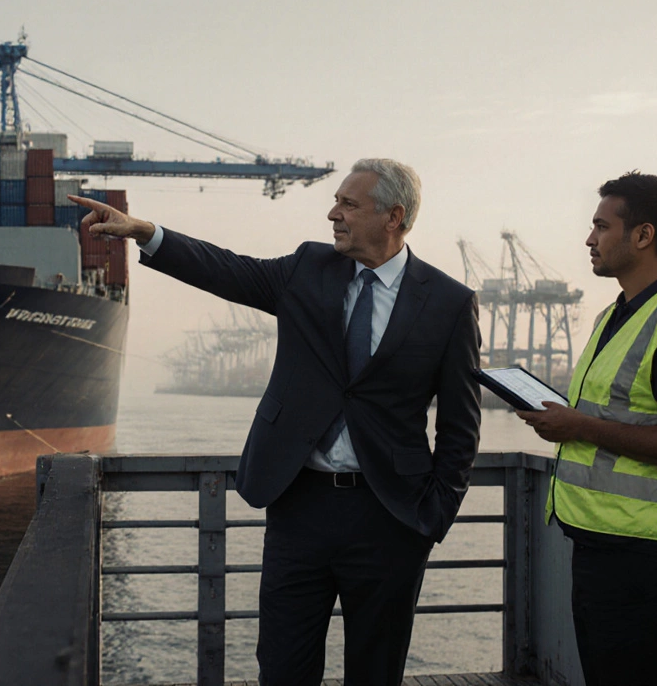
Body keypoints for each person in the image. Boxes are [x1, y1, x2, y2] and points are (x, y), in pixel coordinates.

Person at [69, 158, 482, 685]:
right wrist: (145, 232)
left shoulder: (449, 303)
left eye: (348, 205)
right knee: (284, 667)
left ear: (393, 217)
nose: (333, 213)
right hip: (299, 506)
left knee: (377, 672)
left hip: (391, 518)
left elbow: (460, 428)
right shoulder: (308, 268)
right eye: (336, 201)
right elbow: (226, 269)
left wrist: (433, 516)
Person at [516, 172, 657, 686]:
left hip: (649, 557)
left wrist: (579, 426)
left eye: (600, 226)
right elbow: (611, 414)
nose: (589, 239)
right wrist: (565, 421)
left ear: (643, 235)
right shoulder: (616, 316)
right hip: (605, 545)